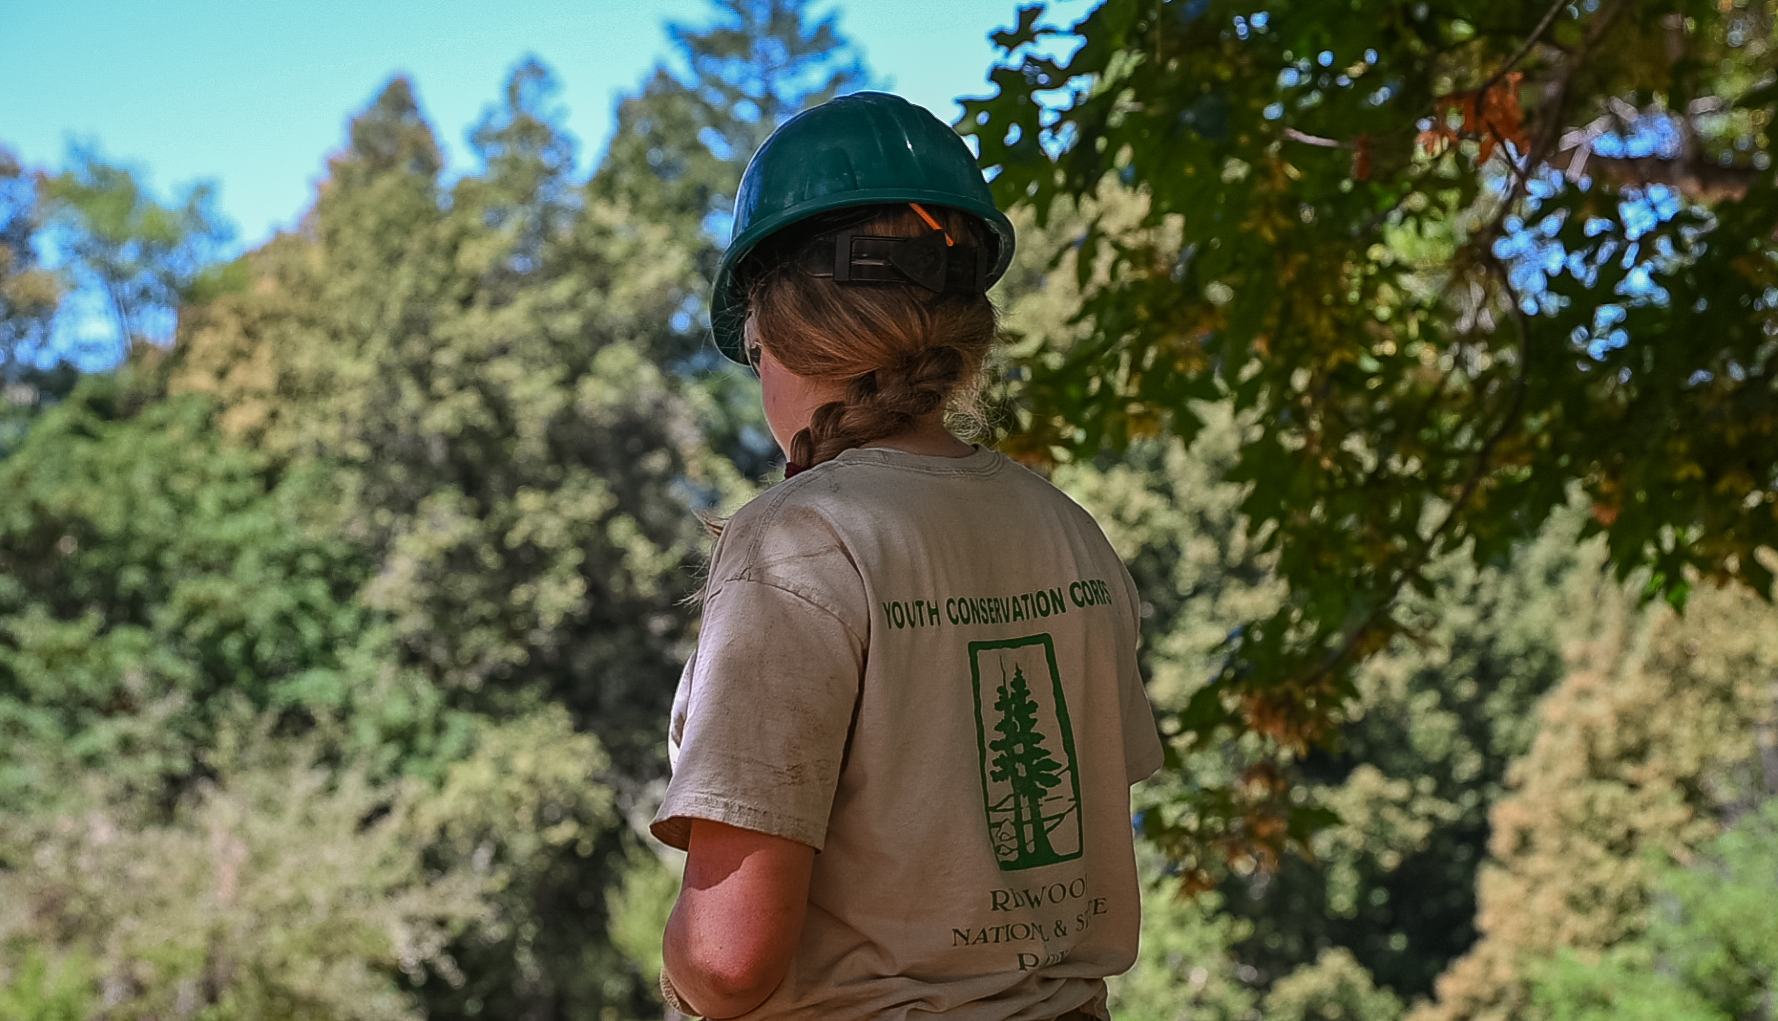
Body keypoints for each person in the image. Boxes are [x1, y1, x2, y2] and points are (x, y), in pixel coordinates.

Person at [652, 92, 1164, 1021]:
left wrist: (677, 969)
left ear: (782, 326)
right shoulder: (1066, 528)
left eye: (756, 352)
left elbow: (729, 961)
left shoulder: (797, 544)